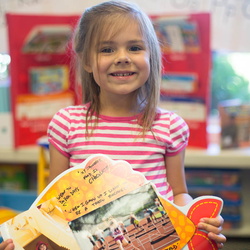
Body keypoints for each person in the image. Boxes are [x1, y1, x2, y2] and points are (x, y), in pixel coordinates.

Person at [0, 1, 226, 249]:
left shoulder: (170, 126)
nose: (122, 58)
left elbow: (179, 193)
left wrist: (200, 220)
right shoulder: (66, 124)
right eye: (107, 49)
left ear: (151, 55)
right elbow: (53, 205)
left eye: (135, 47)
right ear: (86, 61)